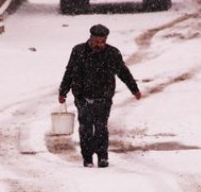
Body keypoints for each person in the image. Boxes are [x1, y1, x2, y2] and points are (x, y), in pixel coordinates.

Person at [58, 24, 142, 168]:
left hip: (103, 97)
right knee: (86, 128)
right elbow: (70, 71)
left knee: (101, 127)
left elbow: (123, 72)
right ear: (90, 38)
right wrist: (63, 91)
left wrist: (134, 89)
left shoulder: (112, 54)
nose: (99, 45)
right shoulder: (78, 51)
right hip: (82, 97)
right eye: (96, 41)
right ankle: (88, 158)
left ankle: (103, 157)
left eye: (102, 42)